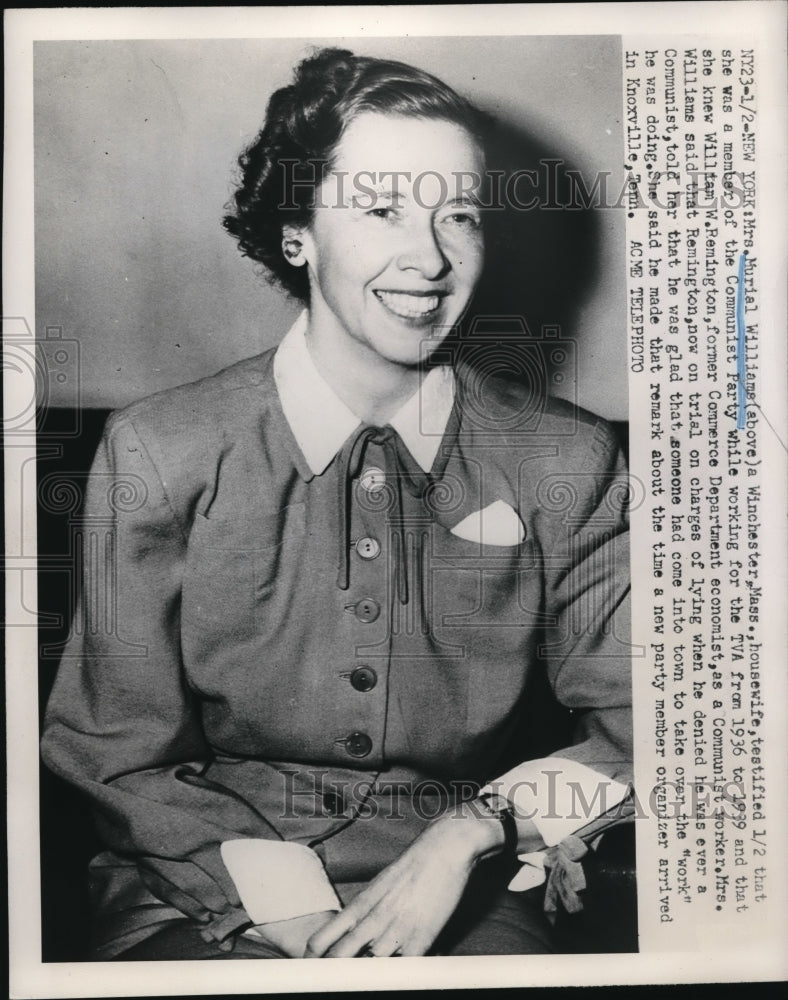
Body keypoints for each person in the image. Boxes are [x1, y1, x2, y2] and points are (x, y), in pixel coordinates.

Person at [41, 47, 632, 960]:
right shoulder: (160, 447)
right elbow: (112, 752)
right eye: (383, 209)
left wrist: (475, 829)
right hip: (201, 873)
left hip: (465, 885)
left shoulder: (572, 458)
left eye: (461, 216)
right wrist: (286, 911)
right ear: (298, 231)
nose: (430, 258)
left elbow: (651, 729)